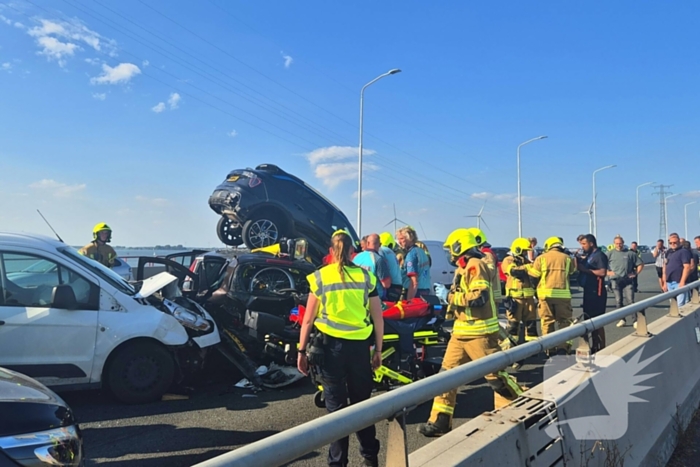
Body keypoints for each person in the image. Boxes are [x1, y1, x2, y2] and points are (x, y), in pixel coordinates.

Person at [418, 229, 522, 437]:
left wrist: (450, 296)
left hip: (480, 333)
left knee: (495, 378)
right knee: (445, 378)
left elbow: (479, 298)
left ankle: (522, 408)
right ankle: (440, 421)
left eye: (451, 248)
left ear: (460, 246)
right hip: (461, 333)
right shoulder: (463, 267)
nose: (449, 253)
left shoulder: (476, 265)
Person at [297, 230, 384, 467]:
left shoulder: (321, 277)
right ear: (352, 252)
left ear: (330, 251)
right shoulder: (366, 277)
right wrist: (378, 351)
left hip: (330, 349)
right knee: (362, 406)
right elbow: (378, 318)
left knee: (336, 410)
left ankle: (338, 463)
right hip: (359, 349)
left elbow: (307, 320)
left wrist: (301, 352)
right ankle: (370, 458)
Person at [514, 236, 576, 355]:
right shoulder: (567, 258)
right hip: (563, 297)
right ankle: (563, 347)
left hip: (545, 296)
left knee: (547, 322)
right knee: (565, 322)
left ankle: (550, 348)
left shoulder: (541, 258)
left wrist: (536, 291)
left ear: (548, 246)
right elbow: (572, 272)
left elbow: (534, 276)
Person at [501, 238, 538, 343]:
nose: (526, 253)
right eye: (524, 251)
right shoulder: (508, 260)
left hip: (529, 300)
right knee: (513, 326)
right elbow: (514, 271)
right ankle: (511, 349)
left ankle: (532, 348)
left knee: (531, 326)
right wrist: (528, 267)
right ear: (518, 250)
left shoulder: (525, 261)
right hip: (515, 300)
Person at [577, 234, 608, 351]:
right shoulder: (590, 255)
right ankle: (593, 346)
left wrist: (584, 269)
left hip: (597, 292)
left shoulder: (599, 256)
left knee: (597, 321)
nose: (582, 247)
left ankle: (601, 347)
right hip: (588, 291)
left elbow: (602, 272)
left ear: (591, 243)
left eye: (584, 244)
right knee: (588, 320)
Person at [607, 236, 643, 328]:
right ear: (614, 244)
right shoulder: (609, 254)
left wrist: (635, 273)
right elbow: (601, 265)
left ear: (623, 243)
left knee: (630, 300)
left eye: (620, 243)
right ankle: (622, 319)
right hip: (615, 280)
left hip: (627, 280)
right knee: (618, 301)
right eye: (617, 243)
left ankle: (635, 320)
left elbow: (640, 264)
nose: (619, 245)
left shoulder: (630, 253)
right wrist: (608, 272)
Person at [467, 227, 503, 305]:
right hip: (487, 295)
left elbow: (489, 272)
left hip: (488, 296)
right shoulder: (483, 254)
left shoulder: (486, 255)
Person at [396, 226, 431, 299]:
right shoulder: (421, 251)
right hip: (425, 291)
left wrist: (409, 302)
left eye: (402, 239)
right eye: (398, 239)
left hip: (415, 293)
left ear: (410, 238)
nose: (399, 242)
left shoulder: (411, 255)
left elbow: (414, 282)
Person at [353, 234, 392, 300]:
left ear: (367, 243)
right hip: (374, 299)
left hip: (357, 297)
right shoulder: (378, 259)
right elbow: (386, 284)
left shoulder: (356, 257)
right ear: (379, 244)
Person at [662, 233, 693, 307]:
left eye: (675, 242)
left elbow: (687, 267)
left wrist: (682, 282)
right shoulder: (668, 252)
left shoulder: (683, 252)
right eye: (670, 243)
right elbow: (665, 267)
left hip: (678, 282)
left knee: (680, 305)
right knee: (673, 304)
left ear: (679, 241)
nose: (673, 244)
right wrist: (664, 282)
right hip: (669, 282)